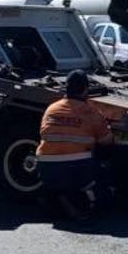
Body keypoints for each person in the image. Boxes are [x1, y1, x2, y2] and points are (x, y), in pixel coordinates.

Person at [36, 70, 114, 217]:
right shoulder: (91, 112)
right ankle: (86, 199)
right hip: (77, 170)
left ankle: (54, 194)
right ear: (85, 89)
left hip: (46, 168)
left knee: (59, 179)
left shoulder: (51, 109)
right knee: (104, 185)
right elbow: (107, 142)